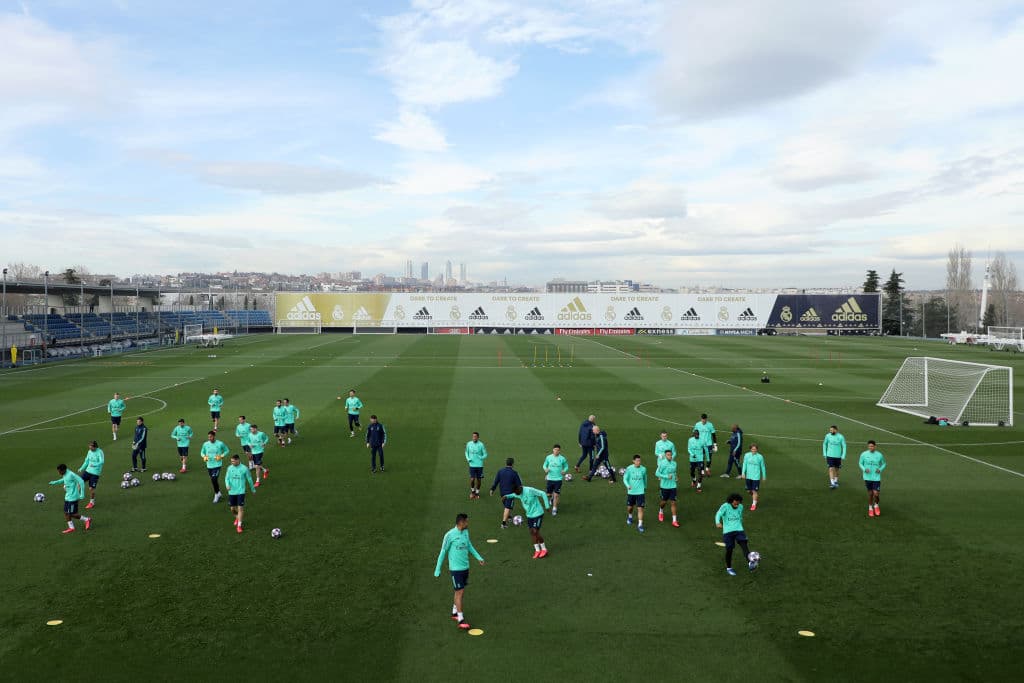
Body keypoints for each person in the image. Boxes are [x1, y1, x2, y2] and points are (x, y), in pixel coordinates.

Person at [433, 513, 485, 630]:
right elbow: (443, 552)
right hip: (455, 569)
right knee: (459, 592)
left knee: (460, 592)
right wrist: (437, 569)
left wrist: (478, 557)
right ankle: (461, 619)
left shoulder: (466, 532)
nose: (468, 523)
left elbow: (469, 546)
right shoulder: (449, 535)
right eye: (466, 521)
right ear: (461, 522)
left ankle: (454, 612)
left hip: (465, 567)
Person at [504, 485, 551, 558]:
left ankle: (544, 549)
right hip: (529, 515)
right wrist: (506, 496)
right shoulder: (518, 493)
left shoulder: (529, 490)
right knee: (532, 532)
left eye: (517, 492)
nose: (517, 494)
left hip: (538, 513)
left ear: (519, 488)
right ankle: (537, 550)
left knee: (535, 531)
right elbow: (513, 495)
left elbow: (543, 493)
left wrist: (547, 506)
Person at [715, 493, 755, 575]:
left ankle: (750, 562)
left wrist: (740, 526)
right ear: (731, 501)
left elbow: (740, 517)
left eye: (739, 502)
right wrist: (717, 522)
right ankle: (729, 567)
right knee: (729, 550)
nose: (737, 504)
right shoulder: (725, 506)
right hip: (728, 531)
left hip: (739, 529)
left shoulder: (741, 506)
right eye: (735, 502)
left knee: (744, 545)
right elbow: (718, 514)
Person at [49, 463, 91, 533]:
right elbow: (64, 480)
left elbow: (81, 481)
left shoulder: (71, 474)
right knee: (66, 513)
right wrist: (55, 482)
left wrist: (82, 493)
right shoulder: (65, 474)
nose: (59, 473)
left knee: (72, 514)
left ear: (64, 470)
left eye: (60, 471)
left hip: (73, 497)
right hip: (68, 497)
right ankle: (71, 527)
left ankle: (87, 519)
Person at [225, 454, 256, 533]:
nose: (232, 463)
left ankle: (239, 525)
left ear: (238, 460)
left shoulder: (244, 468)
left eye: (233, 461)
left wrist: (253, 489)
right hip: (231, 491)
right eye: (231, 461)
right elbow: (226, 478)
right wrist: (227, 485)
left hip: (240, 491)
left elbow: (249, 479)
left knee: (240, 508)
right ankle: (237, 518)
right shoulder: (229, 468)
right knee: (232, 509)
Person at [489, 458, 522, 528]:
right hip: (510, 494)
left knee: (507, 506)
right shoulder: (514, 473)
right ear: (513, 464)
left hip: (502, 492)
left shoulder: (500, 471)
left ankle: (509, 516)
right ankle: (503, 524)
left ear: (506, 463)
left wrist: (492, 489)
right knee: (507, 507)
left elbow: (496, 481)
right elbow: (519, 484)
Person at [859, 440, 887, 517]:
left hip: (876, 477)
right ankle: (870, 508)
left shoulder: (879, 455)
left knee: (876, 493)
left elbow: (884, 463)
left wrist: (880, 469)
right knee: (870, 493)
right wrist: (864, 469)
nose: (870, 448)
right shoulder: (864, 454)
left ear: (875, 446)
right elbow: (860, 463)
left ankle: (876, 505)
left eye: (872, 446)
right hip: (867, 477)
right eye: (869, 446)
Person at [200, 430, 229, 503]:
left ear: (214, 436)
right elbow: (202, 452)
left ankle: (216, 494)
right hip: (209, 465)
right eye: (208, 437)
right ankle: (218, 492)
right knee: (214, 480)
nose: (209, 438)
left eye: (211, 437)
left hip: (217, 464)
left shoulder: (220, 443)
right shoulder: (205, 444)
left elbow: (227, 450)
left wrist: (221, 456)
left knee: (214, 479)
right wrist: (204, 456)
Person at [623, 454, 647, 532]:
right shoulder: (629, 469)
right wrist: (628, 486)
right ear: (633, 461)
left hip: (640, 492)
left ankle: (640, 524)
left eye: (639, 460)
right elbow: (625, 479)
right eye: (637, 460)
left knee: (640, 508)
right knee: (630, 508)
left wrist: (645, 487)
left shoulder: (643, 469)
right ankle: (630, 516)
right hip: (631, 492)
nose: (639, 462)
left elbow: (645, 478)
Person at [542, 444, 569, 515]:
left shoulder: (562, 458)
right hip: (550, 479)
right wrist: (545, 469)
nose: (556, 451)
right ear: (553, 450)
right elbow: (544, 465)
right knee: (548, 494)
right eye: (555, 450)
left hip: (558, 479)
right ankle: (551, 498)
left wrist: (564, 470)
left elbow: (566, 466)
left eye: (558, 450)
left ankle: (554, 508)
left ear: (560, 451)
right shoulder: (548, 457)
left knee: (556, 495)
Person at [655, 449, 679, 527]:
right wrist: (666, 476)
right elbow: (657, 473)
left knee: (673, 502)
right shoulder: (662, 463)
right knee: (663, 502)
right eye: (668, 455)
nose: (670, 456)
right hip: (664, 486)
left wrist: (676, 477)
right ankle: (661, 511)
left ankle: (674, 520)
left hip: (673, 486)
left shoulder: (674, 463)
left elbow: (674, 472)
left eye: (670, 454)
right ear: (665, 455)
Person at [78, 440, 104, 510]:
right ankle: (75, 498)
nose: (90, 448)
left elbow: (102, 461)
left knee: (91, 489)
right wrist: (81, 468)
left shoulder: (99, 452)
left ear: (95, 447)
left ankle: (92, 502)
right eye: (89, 447)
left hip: (95, 473)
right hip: (87, 471)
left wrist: (95, 465)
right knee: (79, 482)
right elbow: (86, 461)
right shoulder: (89, 452)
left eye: (91, 447)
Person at [740, 444, 766, 511]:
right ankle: (755, 497)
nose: (754, 450)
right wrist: (743, 473)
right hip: (748, 476)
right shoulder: (746, 455)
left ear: (757, 449)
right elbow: (744, 464)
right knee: (749, 491)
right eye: (752, 449)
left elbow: (762, 466)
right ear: (750, 449)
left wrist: (764, 476)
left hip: (756, 477)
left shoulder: (760, 457)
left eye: (755, 449)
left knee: (754, 491)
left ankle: (754, 504)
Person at [465, 431, 488, 499]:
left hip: (479, 465)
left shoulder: (481, 445)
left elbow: (485, 454)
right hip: (472, 465)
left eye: (475, 437)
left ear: (478, 437)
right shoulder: (469, 444)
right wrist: (468, 459)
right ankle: (472, 491)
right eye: (473, 436)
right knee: (472, 479)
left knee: (479, 480)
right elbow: (466, 452)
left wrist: (480, 457)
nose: (474, 438)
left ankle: (477, 492)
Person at [823, 425, 847, 489]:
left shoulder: (841, 437)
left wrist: (843, 455)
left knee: (837, 469)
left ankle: (836, 481)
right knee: (831, 469)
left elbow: (844, 446)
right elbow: (824, 444)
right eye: (830, 430)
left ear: (836, 430)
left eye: (832, 430)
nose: (831, 431)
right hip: (829, 455)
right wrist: (825, 453)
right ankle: (832, 483)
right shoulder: (827, 436)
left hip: (838, 456)